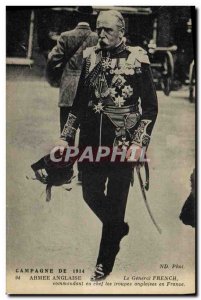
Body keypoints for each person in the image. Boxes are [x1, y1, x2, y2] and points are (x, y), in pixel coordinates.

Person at [58, 10, 158, 281]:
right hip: (91, 142)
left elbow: (149, 108)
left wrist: (139, 142)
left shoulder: (137, 59)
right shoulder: (91, 57)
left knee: (115, 203)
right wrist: (66, 136)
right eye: (99, 29)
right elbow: (79, 103)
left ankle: (105, 262)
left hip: (123, 144)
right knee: (89, 194)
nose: (100, 35)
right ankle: (118, 229)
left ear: (121, 32)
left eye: (107, 31)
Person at [46, 6, 98, 181]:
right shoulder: (97, 38)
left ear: (76, 18)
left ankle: (66, 172)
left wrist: (56, 76)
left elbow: (53, 59)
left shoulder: (65, 36)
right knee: (87, 134)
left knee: (67, 133)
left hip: (68, 90)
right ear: (91, 19)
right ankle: (84, 173)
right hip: (89, 92)